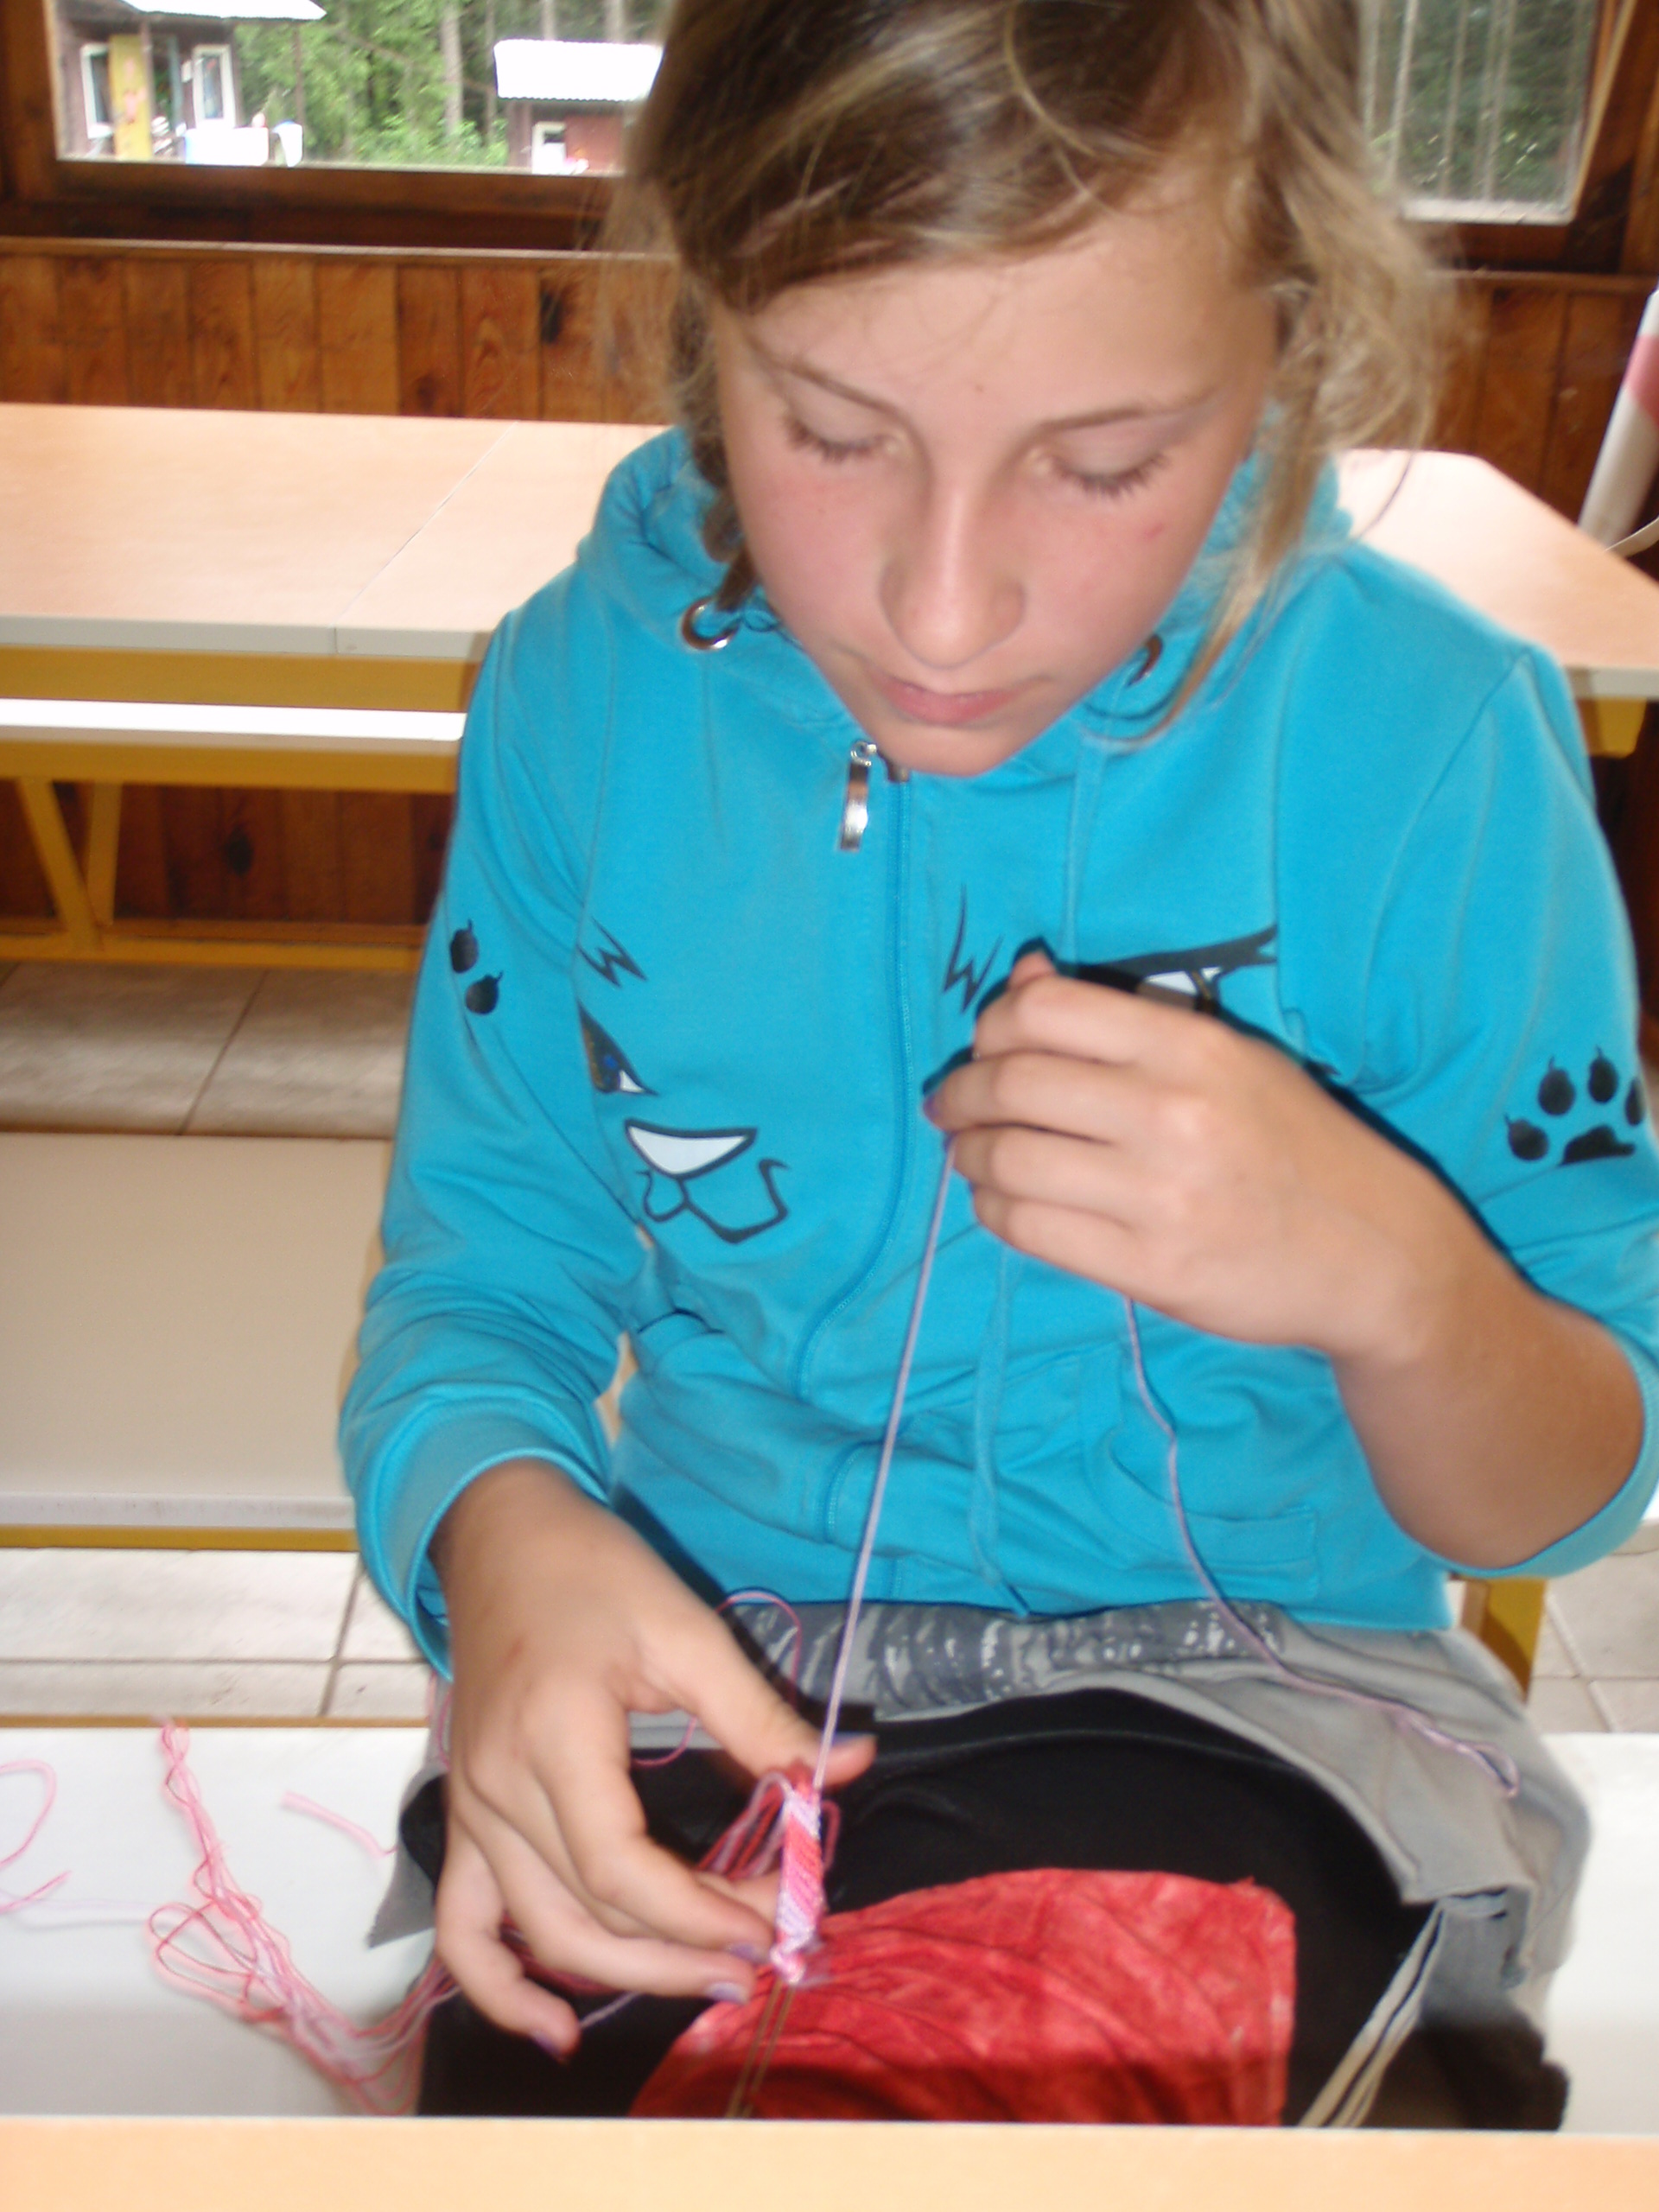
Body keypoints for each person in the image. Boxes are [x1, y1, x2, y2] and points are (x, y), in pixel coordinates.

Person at [344, 0, 1659, 2126]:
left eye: (1107, 460)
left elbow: (1575, 1480)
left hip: (1264, 1697)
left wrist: (1395, 1280)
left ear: (1289, 344)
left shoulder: (1429, 752)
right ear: (705, 318)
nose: (942, 614)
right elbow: (480, 1274)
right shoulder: (583, 694)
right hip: (708, 1657)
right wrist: (498, 1529)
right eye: (830, 427)